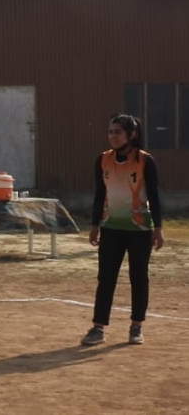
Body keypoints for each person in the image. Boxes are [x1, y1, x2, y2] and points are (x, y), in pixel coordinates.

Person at [81, 114, 165, 346]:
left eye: (118, 132)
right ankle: (98, 328)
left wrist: (158, 228)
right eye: (110, 132)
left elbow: (155, 197)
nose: (113, 136)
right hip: (111, 228)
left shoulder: (145, 161)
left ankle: (136, 326)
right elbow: (100, 195)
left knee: (139, 278)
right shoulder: (103, 160)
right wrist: (94, 225)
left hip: (139, 229)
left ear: (132, 135)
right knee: (106, 278)